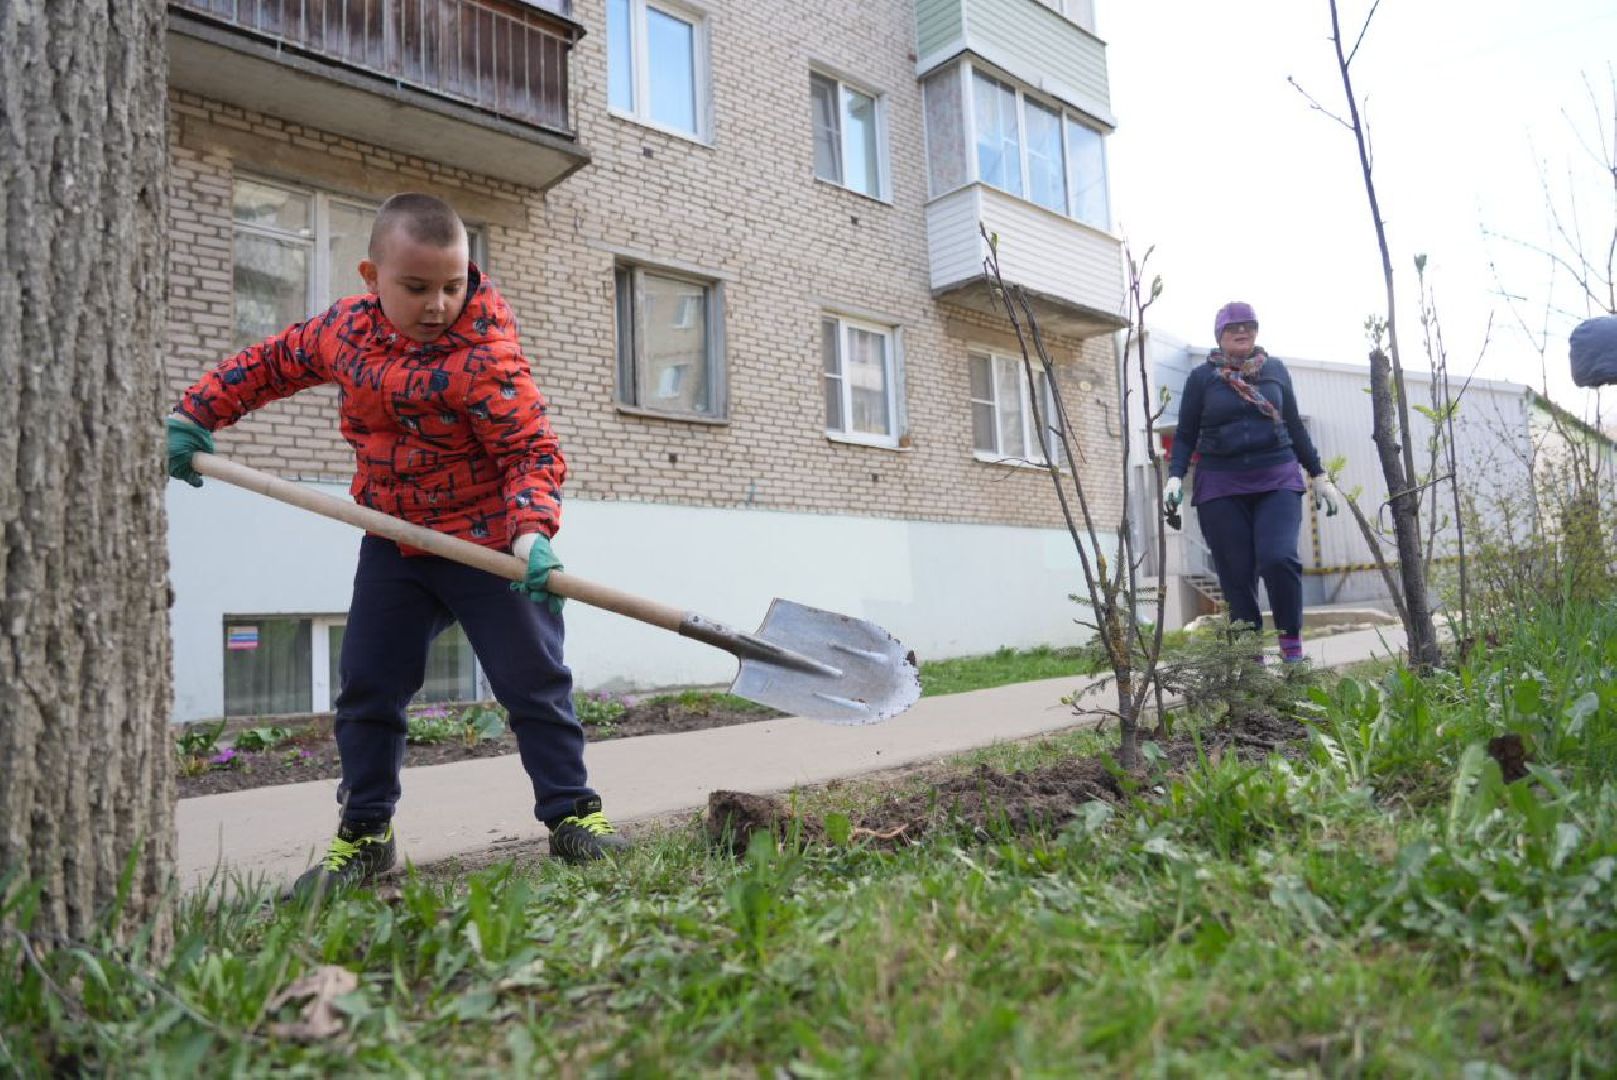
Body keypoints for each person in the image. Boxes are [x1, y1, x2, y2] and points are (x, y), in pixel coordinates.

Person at [166, 192, 629, 898]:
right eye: (416, 287)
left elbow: (531, 453)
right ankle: (365, 836)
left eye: (453, 284)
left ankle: (574, 818)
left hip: (489, 546)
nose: (438, 303)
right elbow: (270, 363)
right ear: (370, 275)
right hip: (395, 542)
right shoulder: (343, 333)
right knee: (369, 687)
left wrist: (533, 531)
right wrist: (197, 411)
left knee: (531, 681)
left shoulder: (486, 356)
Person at [1163, 301, 1340, 663]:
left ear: (1256, 331)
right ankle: (1252, 664)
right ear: (1220, 336)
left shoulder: (1275, 371)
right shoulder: (1201, 379)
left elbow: (1292, 424)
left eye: (1248, 325)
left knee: (1278, 559)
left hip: (1276, 475)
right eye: (1232, 328)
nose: (1241, 331)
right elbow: (1184, 435)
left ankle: (1292, 654)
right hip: (1220, 485)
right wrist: (1175, 478)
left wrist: (1319, 475)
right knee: (1236, 574)